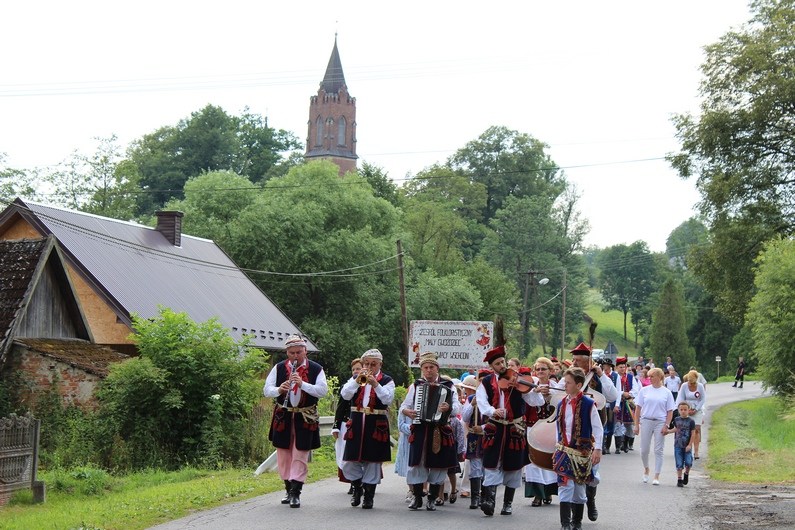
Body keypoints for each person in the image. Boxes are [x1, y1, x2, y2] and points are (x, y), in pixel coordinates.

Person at [476, 344, 545, 516]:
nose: (502, 366)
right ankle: (489, 501)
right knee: (492, 463)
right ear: (491, 366)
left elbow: (536, 402)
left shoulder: (518, 379)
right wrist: (493, 411)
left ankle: (508, 503)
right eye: (498, 364)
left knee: (513, 466)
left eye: (503, 362)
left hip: (515, 427)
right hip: (495, 427)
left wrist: (535, 391)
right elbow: (481, 401)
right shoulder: (486, 382)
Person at [263, 334, 328, 508]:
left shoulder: (316, 369)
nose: (295, 356)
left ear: (305, 351)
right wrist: (279, 389)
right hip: (283, 414)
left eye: (299, 352)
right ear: (287, 353)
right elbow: (266, 390)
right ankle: (287, 488)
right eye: (292, 353)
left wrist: (303, 384)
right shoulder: (279, 368)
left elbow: (322, 391)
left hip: (304, 415)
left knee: (300, 453)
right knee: (283, 454)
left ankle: (295, 493)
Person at [561, 342, 618, 522]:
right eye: (574, 359)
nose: (574, 362)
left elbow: (612, 396)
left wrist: (601, 374)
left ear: (588, 362)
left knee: (590, 473)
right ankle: (572, 513)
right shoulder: (569, 377)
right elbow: (558, 395)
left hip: (591, 433)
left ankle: (590, 501)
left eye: (577, 360)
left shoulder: (597, 377)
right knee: (569, 474)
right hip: (570, 434)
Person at [400, 352, 459, 511]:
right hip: (420, 429)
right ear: (422, 370)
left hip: (439, 430)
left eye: (431, 367)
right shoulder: (416, 386)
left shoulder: (449, 385)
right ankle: (418, 498)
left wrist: (449, 408)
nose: (428, 371)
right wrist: (407, 412)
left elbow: (456, 408)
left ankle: (432, 498)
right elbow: (404, 406)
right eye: (425, 368)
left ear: (437, 368)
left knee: (438, 465)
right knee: (417, 463)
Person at [340, 348, 395, 509]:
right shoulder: (357, 378)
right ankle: (357, 488)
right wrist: (357, 380)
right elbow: (345, 395)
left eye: (373, 364)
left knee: (373, 462)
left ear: (380, 364)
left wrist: (375, 384)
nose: (370, 367)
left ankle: (369, 496)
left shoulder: (387, 380)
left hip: (376, 423)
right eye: (367, 363)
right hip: (357, 421)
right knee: (349, 461)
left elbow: (387, 399)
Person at [554, 367, 603, 530]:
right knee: (565, 486)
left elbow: (598, 427)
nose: (565, 385)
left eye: (568, 382)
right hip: (563, 451)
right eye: (565, 382)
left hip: (581, 453)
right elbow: (559, 428)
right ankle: (565, 524)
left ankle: (577, 522)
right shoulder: (562, 403)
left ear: (579, 384)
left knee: (579, 491)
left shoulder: (589, 404)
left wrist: (598, 449)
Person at [523, 356, 558, 507]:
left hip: (550, 427)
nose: (540, 372)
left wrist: (549, 396)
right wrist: (536, 392)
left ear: (550, 371)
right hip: (533, 425)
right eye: (538, 369)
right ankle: (537, 494)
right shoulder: (530, 384)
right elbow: (526, 399)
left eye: (543, 369)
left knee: (549, 457)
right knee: (534, 460)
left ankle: (548, 490)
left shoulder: (555, 385)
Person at [633, 367, 676, 486]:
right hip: (646, 420)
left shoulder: (666, 392)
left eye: (652, 376)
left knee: (658, 450)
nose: (649, 378)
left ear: (659, 377)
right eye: (649, 376)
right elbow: (638, 408)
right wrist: (636, 424)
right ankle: (646, 468)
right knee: (644, 449)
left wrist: (666, 425)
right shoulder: (644, 390)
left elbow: (670, 411)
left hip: (660, 421)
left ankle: (657, 475)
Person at [332, 357, 362, 494]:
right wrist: (336, 425)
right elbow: (341, 406)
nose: (356, 371)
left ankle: (362, 481)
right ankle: (353, 483)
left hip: (362, 424)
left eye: (358, 368)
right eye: (354, 369)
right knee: (346, 454)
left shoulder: (368, 385)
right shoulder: (348, 386)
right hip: (346, 424)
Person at [460, 374, 483, 508]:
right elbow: (465, 417)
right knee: (475, 466)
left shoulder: (494, 398)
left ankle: (485, 495)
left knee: (487, 467)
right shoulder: (470, 398)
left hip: (488, 435)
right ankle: (475, 498)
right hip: (474, 436)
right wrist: (472, 404)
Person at [676, 370, 707, 459]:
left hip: (697, 410)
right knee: (686, 430)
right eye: (689, 382)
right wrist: (686, 409)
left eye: (692, 382)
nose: (690, 384)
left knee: (696, 430)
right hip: (686, 409)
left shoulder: (700, 386)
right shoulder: (684, 386)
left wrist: (696, 409)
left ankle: (696, 452)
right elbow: (681, 398)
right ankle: (686, 448)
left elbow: (702, 399)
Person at [613, 356, 639, 454]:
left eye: (624, 367)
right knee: (618, 424)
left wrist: (629, 394)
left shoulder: (630, 377)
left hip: (628, 403)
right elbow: (613, 390)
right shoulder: (614, 377)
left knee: (629, 425)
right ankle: (617, 446)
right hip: (618, 403)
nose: (623, 369)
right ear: (616, 368)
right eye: (620, 367)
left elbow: (636, 390)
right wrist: (621, 393)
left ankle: (626, 444)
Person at [666, 402, 695, 487]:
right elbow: (676, 429)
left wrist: (690, 445)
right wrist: (668, 431)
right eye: (681, 410)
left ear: (688, 410)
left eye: (685, 410)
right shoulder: (677, 420)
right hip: (678, 445)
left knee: (688, 463)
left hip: (687, 446)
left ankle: (686, 473)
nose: (683, 411)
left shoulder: (691, 421)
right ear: (678, 410)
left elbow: (693, 434)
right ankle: (679, 479)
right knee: (679, 463)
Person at [600, 357, 618, 455]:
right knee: (602, 425)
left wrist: (617, 404)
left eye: (608, 366)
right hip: (602, 404)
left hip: (611, 404)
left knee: (610, 424)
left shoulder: (615, 376)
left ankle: (607, 446)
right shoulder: (599, 375)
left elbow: (618, 391)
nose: (606, 368)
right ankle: (602, 445)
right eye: (604, 366)